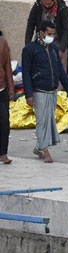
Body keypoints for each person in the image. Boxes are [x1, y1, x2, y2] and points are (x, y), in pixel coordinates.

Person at [22, 21, 68, 163]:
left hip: (52, 91)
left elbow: (59, 70)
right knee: (42, 121)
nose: (51, 37)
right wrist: (28, 95)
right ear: (41, 33)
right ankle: (45, 150)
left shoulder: (52, 48)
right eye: (49, 34)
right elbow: (26, 73)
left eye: (53, 34)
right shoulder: (30, 49)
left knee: (49, 119)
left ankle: (38, 147)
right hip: (38, 90)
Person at [25, 0, 68, 73]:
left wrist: (61, 49)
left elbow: (67, 30)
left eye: (49, 4)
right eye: (45, 4)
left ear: (54, 0)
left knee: (60, 71)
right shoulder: (38, 6)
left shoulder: (62, 8)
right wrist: (28, 45)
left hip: (58, 42)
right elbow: (30, 25)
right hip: (41, 42)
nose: (47, 7)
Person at [0, 29, 13, 164]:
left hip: (2, 88)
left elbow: (7, 66)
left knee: (4, 121)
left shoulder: (3, 43)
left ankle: (3, 153)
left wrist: (11, 87)